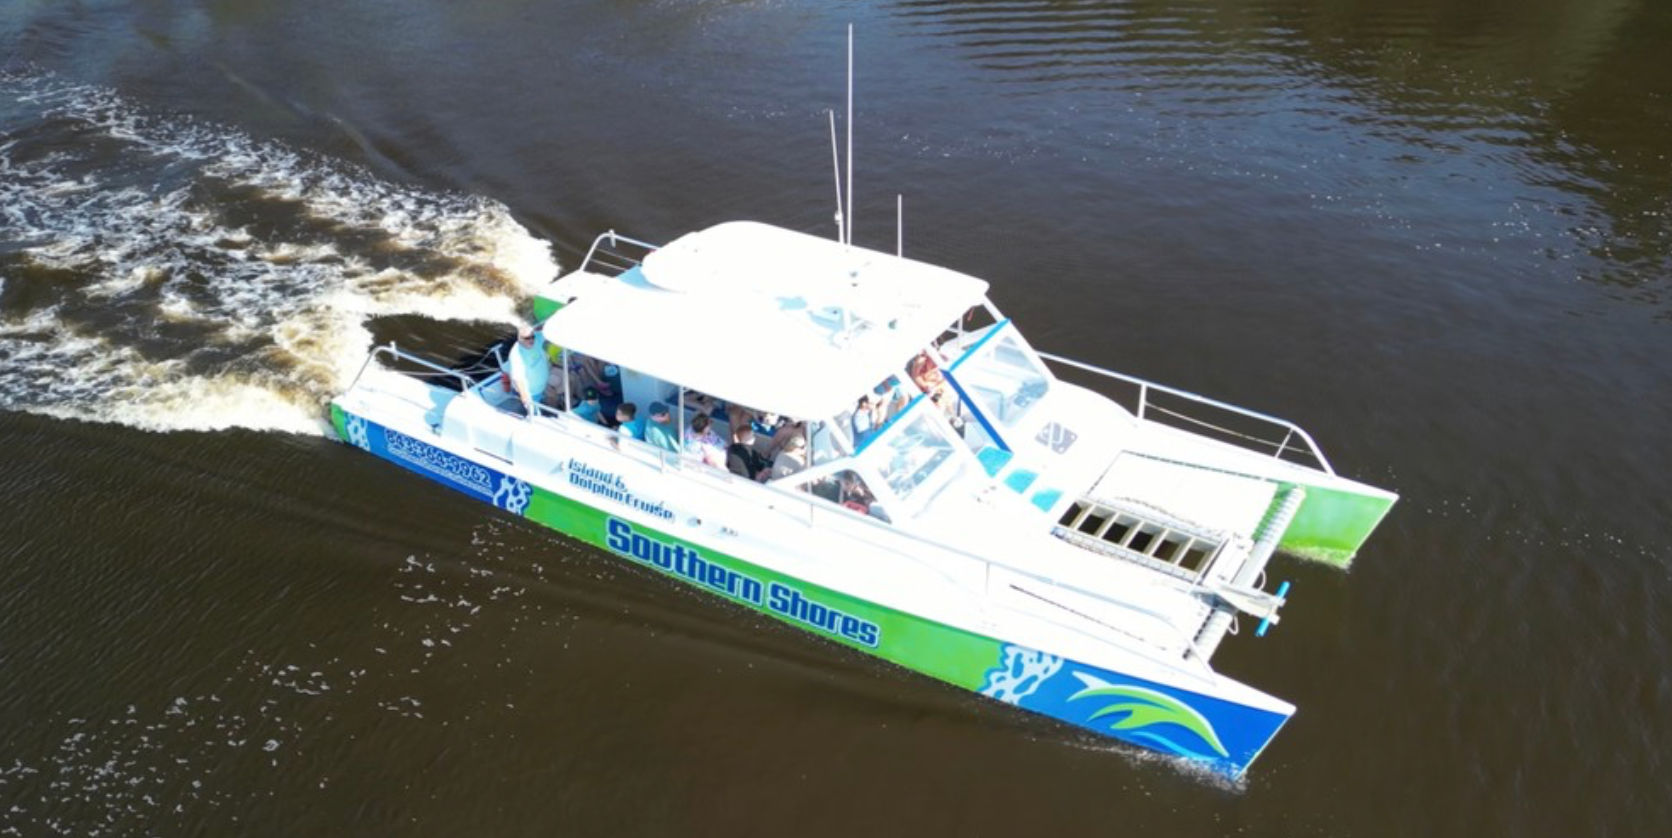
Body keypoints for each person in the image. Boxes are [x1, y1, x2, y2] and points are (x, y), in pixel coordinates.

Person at [504, 324, 551, 417]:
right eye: (527, 338)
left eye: (532, 337)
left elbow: (546, 333)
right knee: (537, 417)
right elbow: (518, 379)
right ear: (519, 338)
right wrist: (525, 398)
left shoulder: (537, 338)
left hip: (544, 387)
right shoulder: (516, 354)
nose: (531, 340)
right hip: (532, 394)